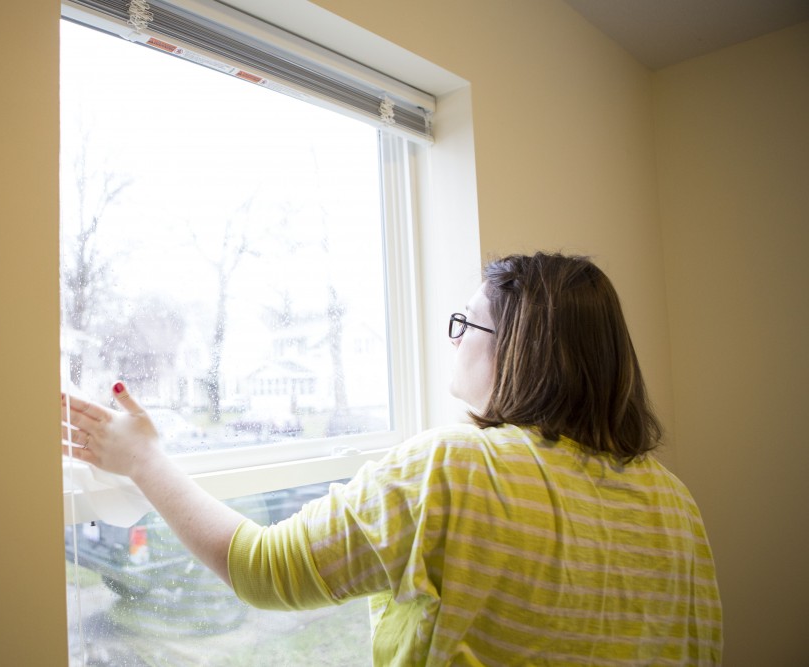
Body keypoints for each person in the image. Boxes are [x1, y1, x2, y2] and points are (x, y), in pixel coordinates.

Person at [62, 252, 723, 665]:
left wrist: (144, 459)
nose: (454, 338)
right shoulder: (674, 501)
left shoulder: (453, 467)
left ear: (520, 346)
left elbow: (261, 568)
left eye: (467, 323)